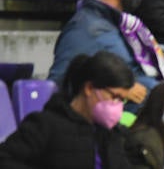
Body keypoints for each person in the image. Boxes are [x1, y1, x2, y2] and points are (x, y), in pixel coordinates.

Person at [49, 0, 164, 100]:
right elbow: (60, 81)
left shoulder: (120, 23)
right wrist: (118, 89)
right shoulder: (85, 27)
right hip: (117, 115)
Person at [0, 51, 136, 167]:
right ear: (89, 88)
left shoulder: (112, 136)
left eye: (122, 100)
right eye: (115, 97)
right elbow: (5, 159)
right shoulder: (45, 125)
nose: (118, 105)